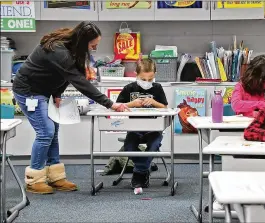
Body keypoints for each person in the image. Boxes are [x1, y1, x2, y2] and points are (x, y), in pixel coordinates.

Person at [12, 21, 128, 194]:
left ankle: (55, 177)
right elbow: (78, 81)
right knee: (46, 132)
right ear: (83, 41)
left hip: (45, 91)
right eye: (93, 45)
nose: (94, 48)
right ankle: (34, 179)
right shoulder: (59, 51)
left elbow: (66, 75)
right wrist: (110, 103)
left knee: (53, 130)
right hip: (28, 91)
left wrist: (57, 93)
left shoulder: (73, 47)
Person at [116, 58, 168, 188]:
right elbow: (117, 106)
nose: (147, 82)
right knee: (129, 147)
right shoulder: (129, 88)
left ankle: (139, 172)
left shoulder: (157, 88)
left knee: (154, 145)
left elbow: (165, 108)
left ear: (155, 74)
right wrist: (132, 104)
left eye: (150, 79)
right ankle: (144, 169)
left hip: (153, 129)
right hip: (134, 128)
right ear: (136, 74)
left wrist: (154, 103)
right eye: (143, 79)